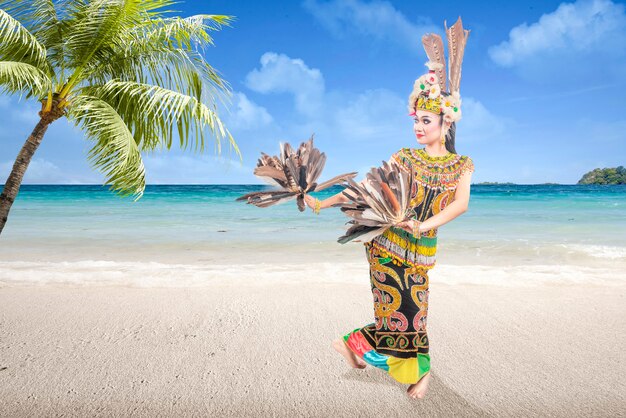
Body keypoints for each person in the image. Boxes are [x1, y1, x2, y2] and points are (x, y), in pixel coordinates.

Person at [304, 18, 474, 399]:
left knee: (416, 313)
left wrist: (425, 224)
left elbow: (461, 204)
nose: (418, 126)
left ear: (445, 124)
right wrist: (324, 201)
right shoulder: (405, 157)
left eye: (426, 121)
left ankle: (353, 343)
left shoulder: (462, 165)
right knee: (395, 312)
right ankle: (416, 372)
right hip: (386, 243)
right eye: (416, 120)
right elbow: (369, 187)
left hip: (422, 246)